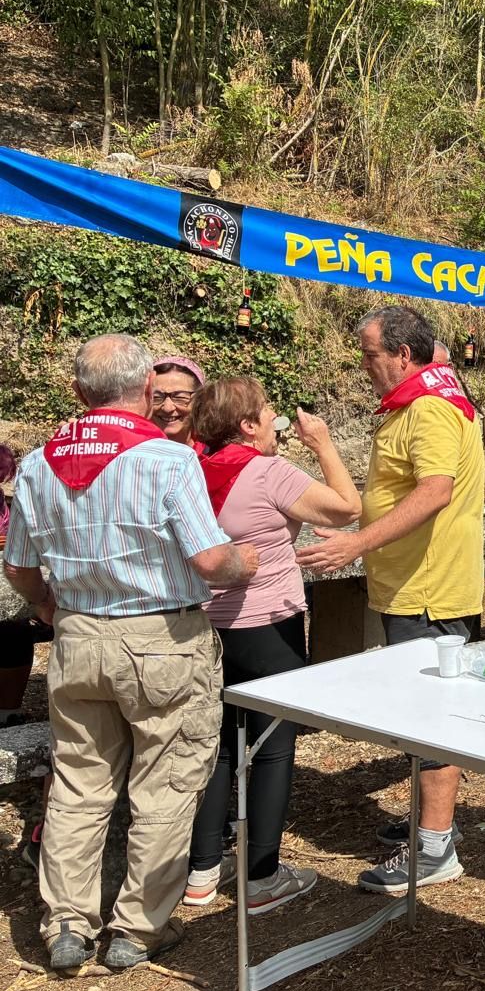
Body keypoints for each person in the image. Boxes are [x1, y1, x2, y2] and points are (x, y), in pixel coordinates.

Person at [2, 334, 258, 971]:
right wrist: (245, 561)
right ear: (147, 389)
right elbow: (209, 560)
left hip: (79, 635)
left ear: (77, 393)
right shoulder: (168, 460)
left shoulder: (37, 462)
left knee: (79, 783)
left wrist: (51, 611)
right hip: (162, 638)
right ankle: (137, 929)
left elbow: (21, 568)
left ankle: (66, 922)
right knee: (165, 784)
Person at [296, 305, 485, 893]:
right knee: (420, 711)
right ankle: (430, 826)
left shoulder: (429, 408)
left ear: (405, 356)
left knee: (433, 720)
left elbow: (433, 492)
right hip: (412, 586)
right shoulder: (430, 398)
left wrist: (358, 542)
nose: (364, 367)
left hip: (428, 592)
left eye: (371, 355)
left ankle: (432, 848)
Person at [184, 377, 361, 914]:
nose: (276, 422)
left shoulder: (189, 469)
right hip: (267, 625)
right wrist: (324, 444)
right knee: (273, 748)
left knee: (216, 748)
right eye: (267, 414)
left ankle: (201, 871)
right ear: (246, 425)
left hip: (204, 628)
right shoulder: (266, 471)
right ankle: (262, 876)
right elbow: (345, 509)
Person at [151, 356, 206, 447]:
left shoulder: (216, 455)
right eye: (157, 397)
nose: (167, 408)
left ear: (199, 400)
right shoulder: (130, 451)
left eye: (179, 397)